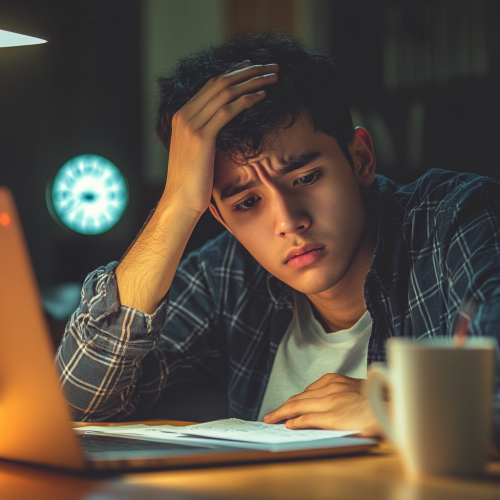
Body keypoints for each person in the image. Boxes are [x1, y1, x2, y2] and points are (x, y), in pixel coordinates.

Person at [56, 31, 500, 440]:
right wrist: (176, 206)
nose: (288, 220)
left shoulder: (453, 220)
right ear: (222, 218)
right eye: (247, 203)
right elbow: (77, 403)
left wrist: (403, 410)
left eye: (306, 177)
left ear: (361, 158)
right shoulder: (228, 275)